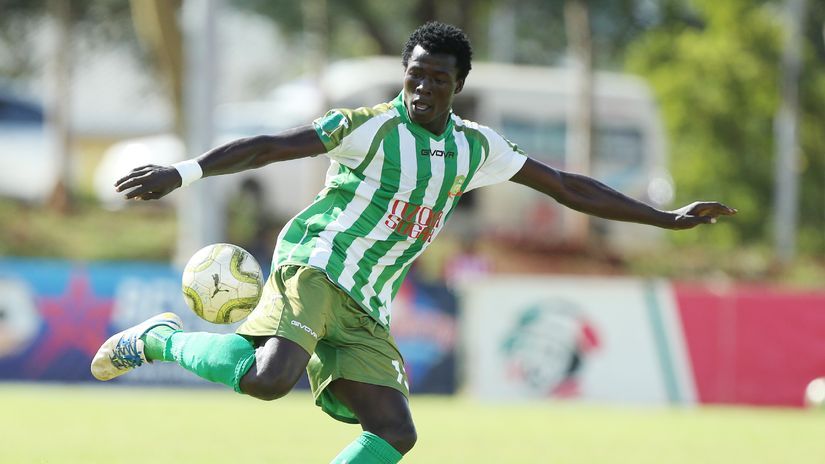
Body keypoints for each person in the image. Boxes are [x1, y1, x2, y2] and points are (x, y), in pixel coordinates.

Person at [91, 21, 736, 463]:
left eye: (437, 80)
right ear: (404, 74)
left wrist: (666, 217)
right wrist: (184, 171)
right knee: (269, 380)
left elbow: (569, 187)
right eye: (415, 76)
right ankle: (159, 339)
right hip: (314, 263)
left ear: (459, 86)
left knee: (395, 432)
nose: (423, 88)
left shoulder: (475, 148)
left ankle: (172, 341)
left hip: (368, 296)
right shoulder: (367, 128)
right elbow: (270, 145)